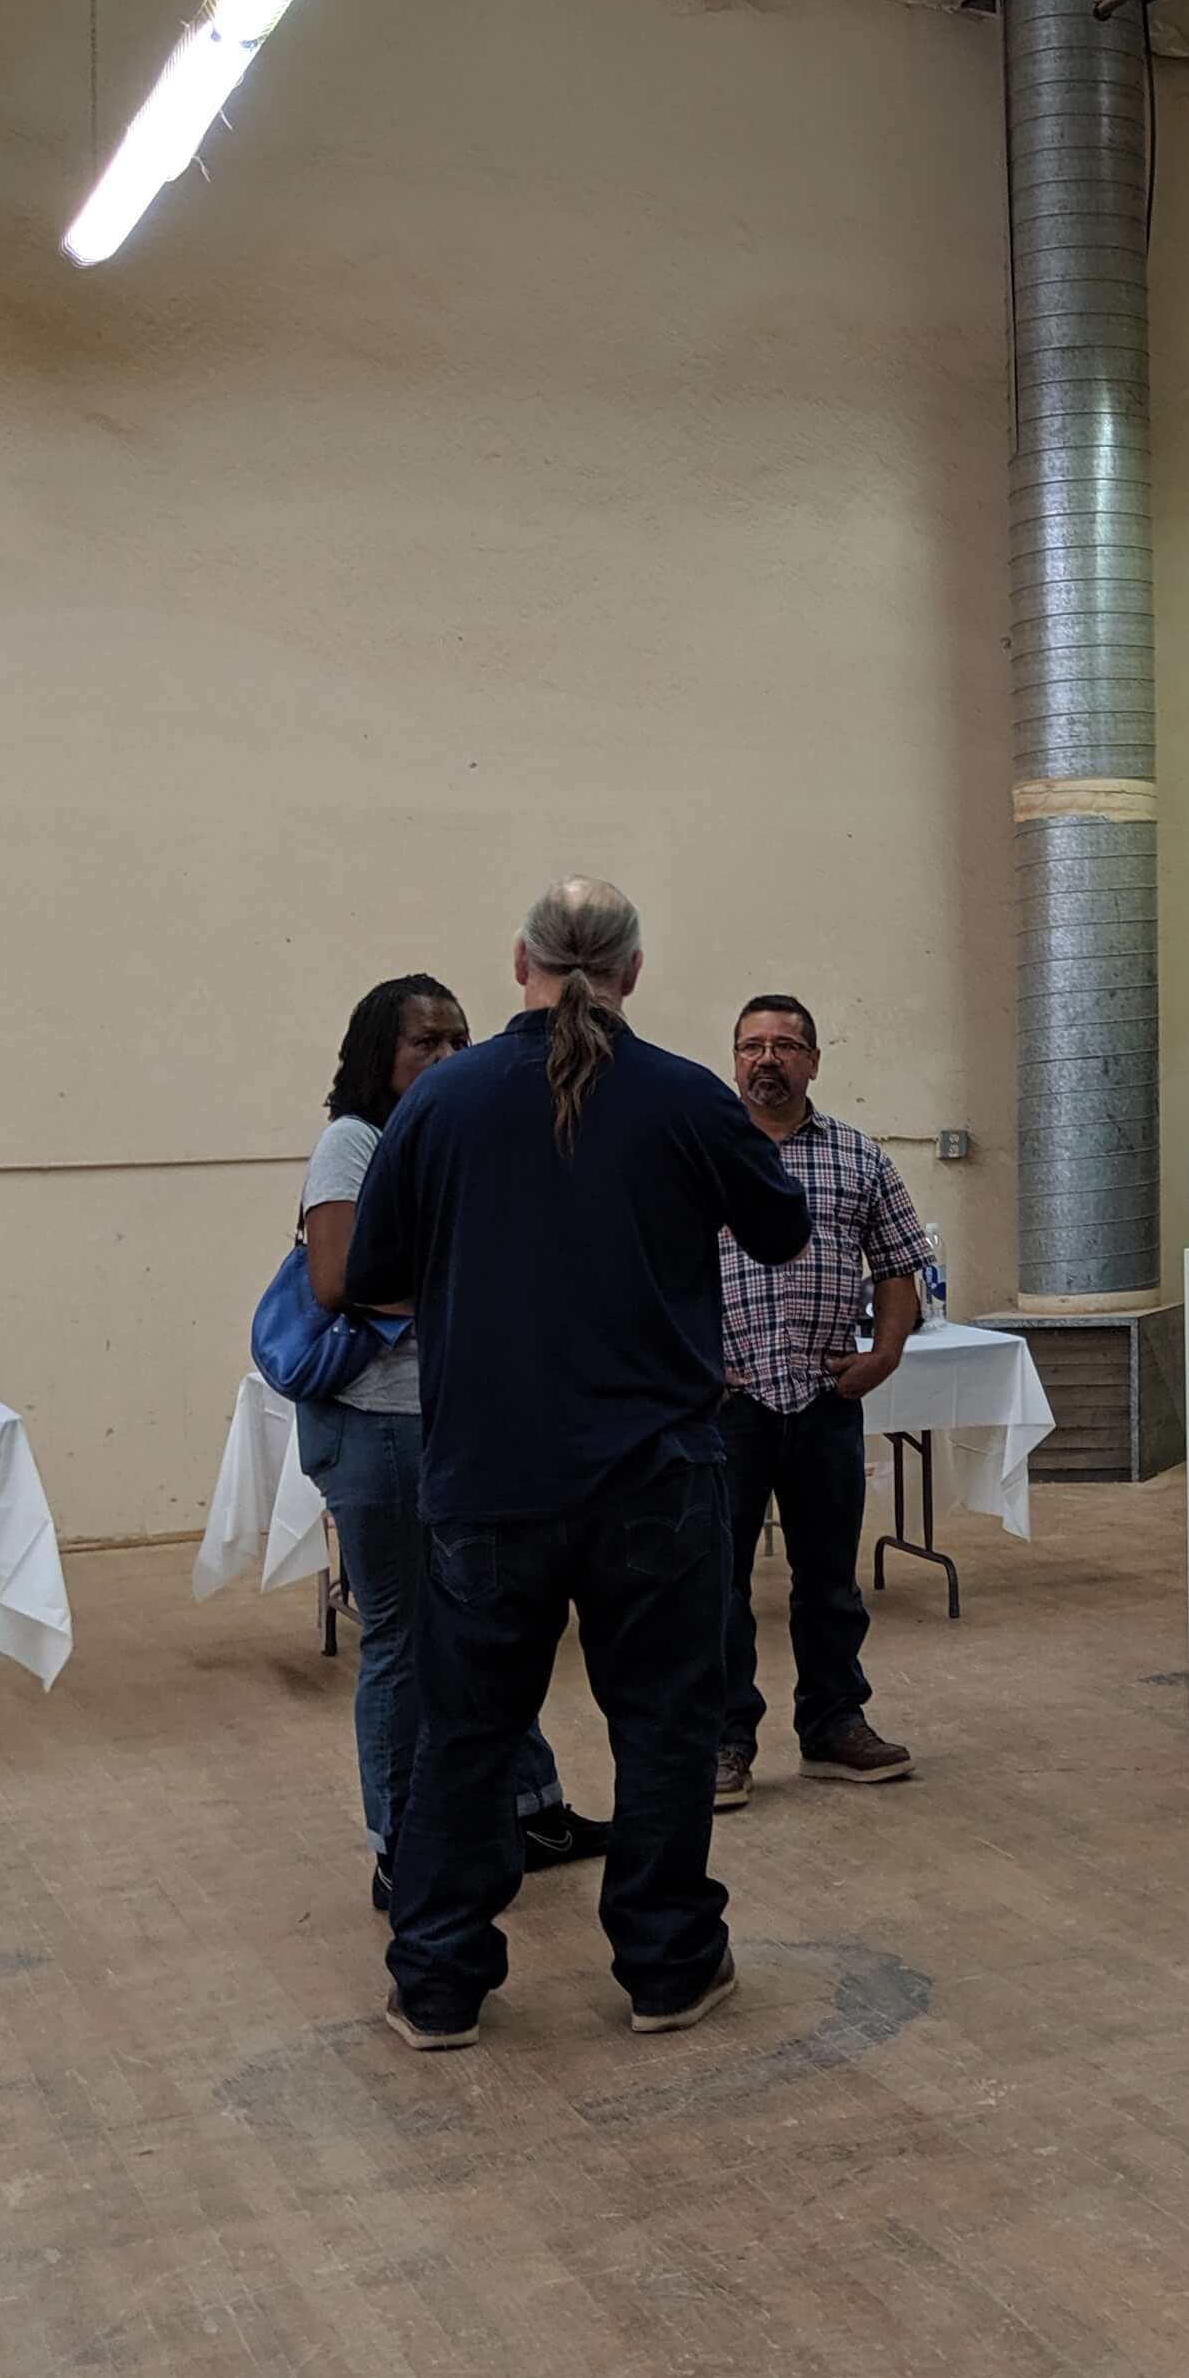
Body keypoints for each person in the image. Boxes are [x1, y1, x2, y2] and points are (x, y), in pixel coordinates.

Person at [344, 878, 810, 2054]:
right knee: (662, 1729)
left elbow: (369, 1274)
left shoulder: (440, 1102)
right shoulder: (685, 1097)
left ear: (521, 963)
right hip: (654, 1478)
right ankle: (668, 1968)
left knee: (464, 1736)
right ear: (633, 973)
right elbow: (783, 1230)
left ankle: (439, 1985)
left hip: (487, 1479)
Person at [295, 974, 605, 1907]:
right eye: (424, 1042)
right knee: (401, 1637)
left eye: (459, 1041)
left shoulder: (461, 1128)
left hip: (459, 1416)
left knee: (489, 1619)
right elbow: (335, 1281)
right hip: (381, 1420)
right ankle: (402, 1848)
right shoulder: (354, 1143)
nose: (447, 1057)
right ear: (378, 1054)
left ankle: (532, 1810)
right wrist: (479, 1285)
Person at [712, 992, 936, 1811]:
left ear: (813, 1061)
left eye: (785, 1045)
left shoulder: (858, 1156)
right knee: (716, 1584)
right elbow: (650, 1265)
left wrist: (885, 1354)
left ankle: (835, 1726)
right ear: (734, 1059)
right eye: (752, 1046)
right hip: (726, 1404)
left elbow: (898, 1263)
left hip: (822, 1397)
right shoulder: (701, 1152)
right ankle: (723, 1740)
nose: (767, 1059)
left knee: (829, 1581)